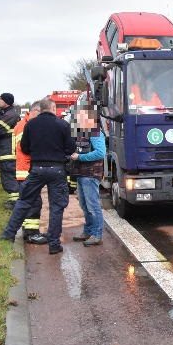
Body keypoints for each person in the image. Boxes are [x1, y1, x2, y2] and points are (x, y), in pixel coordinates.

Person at [0, 97, 76, 254]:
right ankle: (54, 244)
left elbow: (25, 148)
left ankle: (8, 234)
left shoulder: (30, 125)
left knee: (24, 201)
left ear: (40, 109)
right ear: (53, 109)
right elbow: (70, 148)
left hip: (36, 169)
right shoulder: (63, 125)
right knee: (56, 207)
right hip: (57, 170)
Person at [70, 104, 106, 246]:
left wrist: (79, 157)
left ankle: (96, 234)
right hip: (81, 173)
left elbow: (100, 153)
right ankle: (89, 231)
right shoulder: (81, 131)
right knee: (85, 205)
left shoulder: (95, 132)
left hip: (91, 174)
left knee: (92, 205)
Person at [14, 101, 47, 245]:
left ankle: (29, 231)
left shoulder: (24, 124)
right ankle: (31, 233)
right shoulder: (25, 126)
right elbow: (26, 148)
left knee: (31, 201)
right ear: (34, 111)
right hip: (26, 170)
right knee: (33, 202)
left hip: (24, 169)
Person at [0, 93, 20, 208]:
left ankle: (15, 202)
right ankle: (14, 200)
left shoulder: (11, 115)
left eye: (0, 99)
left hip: (8, 151)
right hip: (4, 150)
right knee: (6, 177)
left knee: (9, 176)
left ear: (6, 101)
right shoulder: (3, 114)